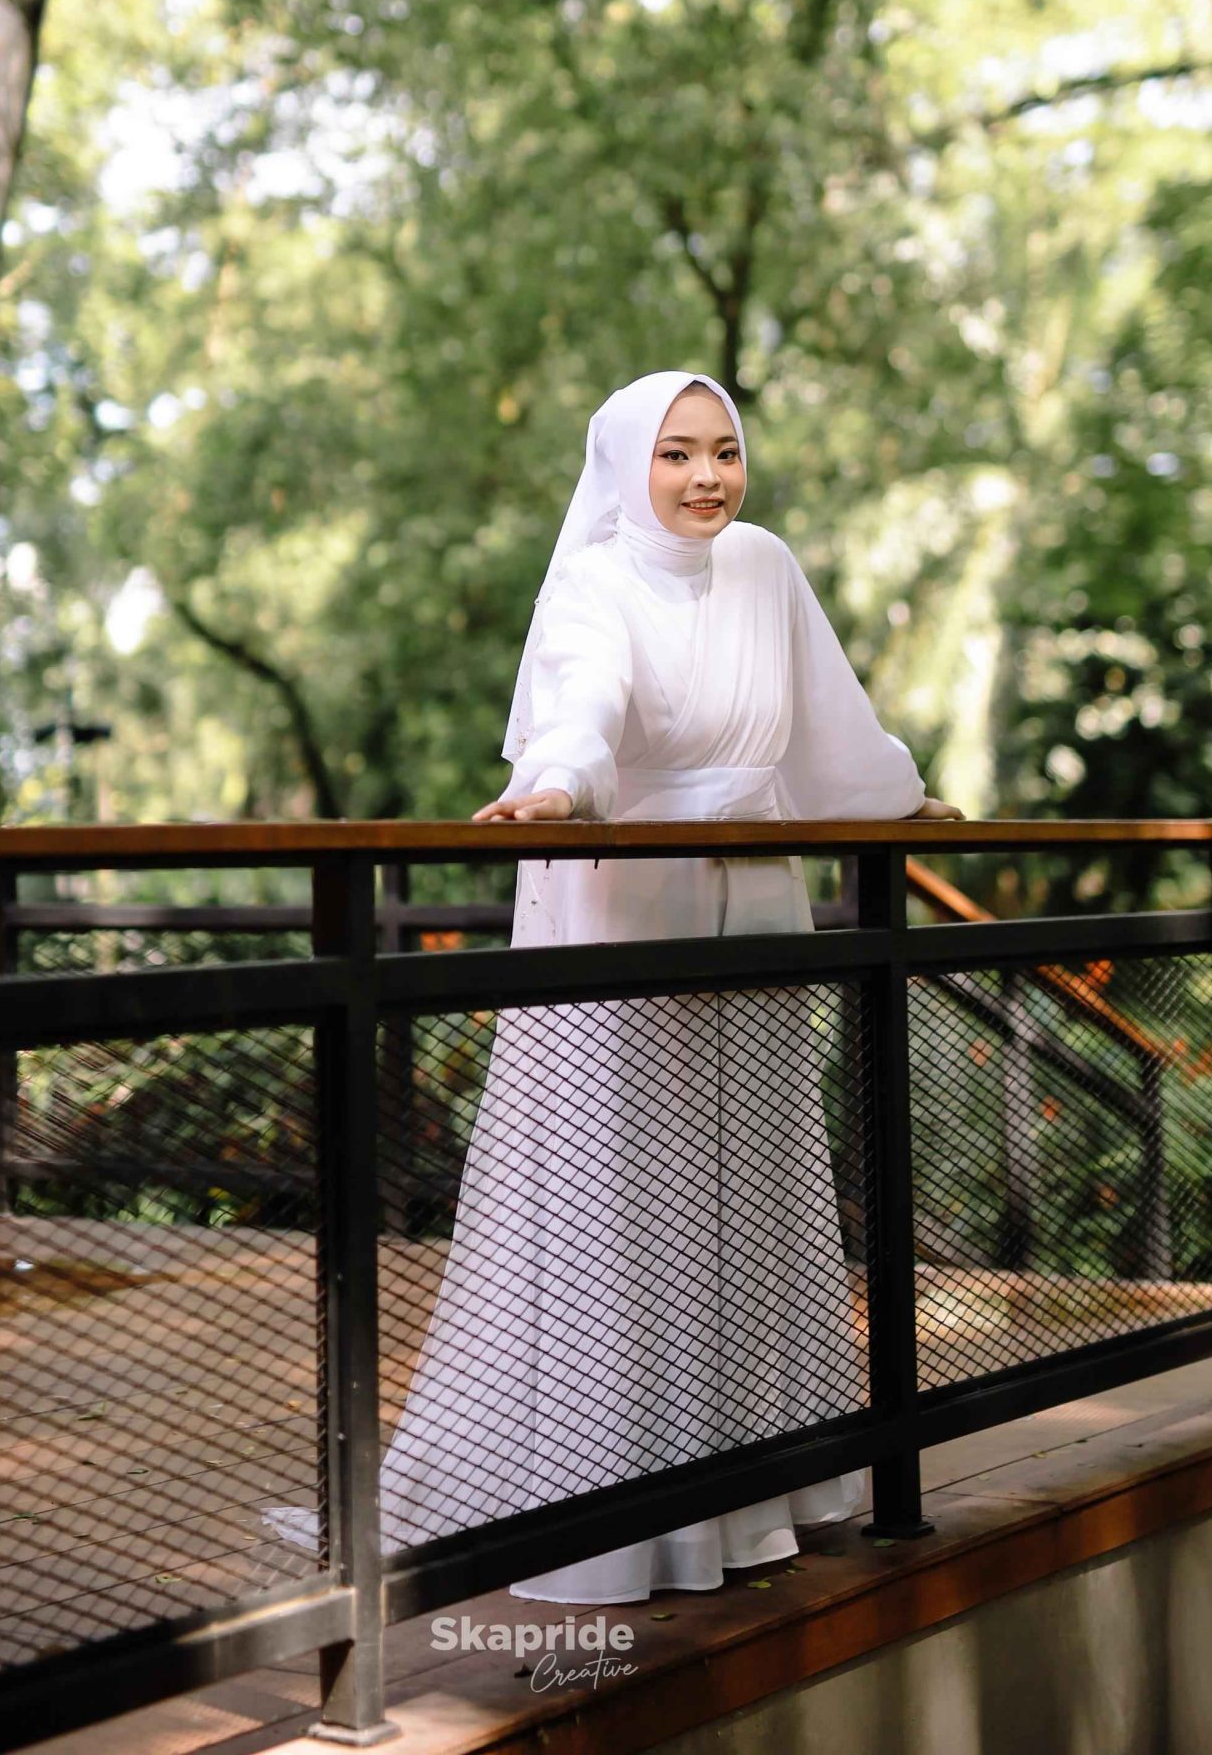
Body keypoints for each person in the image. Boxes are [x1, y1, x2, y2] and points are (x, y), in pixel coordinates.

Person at [375, 368, 962, 1605]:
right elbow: (584, 697)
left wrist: (895, 798)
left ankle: (758, 1489)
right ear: (627, 465)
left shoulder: (765, 565)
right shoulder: (591, 583)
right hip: (630, 907)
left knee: (753, 1181)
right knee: (635, 1192)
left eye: (722, 450)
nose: (706, 476)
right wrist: (558, 785)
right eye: (676, 453)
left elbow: (829, 723)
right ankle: (631, 1508)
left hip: (759, 905)